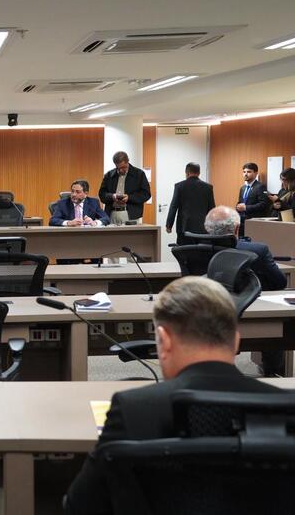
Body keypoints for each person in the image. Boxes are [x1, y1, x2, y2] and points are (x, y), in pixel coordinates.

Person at [65, 276, 283, 515]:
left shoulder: (132, 409)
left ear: (164, 340)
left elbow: (79, 505)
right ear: (236, 340)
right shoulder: (283, 408)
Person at [205, 205, 287, 376]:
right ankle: (272, 373)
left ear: (207, 229)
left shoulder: (197, 250)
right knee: (281, 324)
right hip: (256, 313)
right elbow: (280, 282)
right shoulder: (258, 251)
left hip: (208, 313)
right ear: (237, 228)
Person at [165, 162, 215, 245]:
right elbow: (212, 209)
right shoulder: (208, 187)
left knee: (185, 251)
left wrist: (169, 225)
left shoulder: (179, 186)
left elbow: (173, 206)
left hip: (184, 227)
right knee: (202, 251)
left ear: (187, 173)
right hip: (203, 229)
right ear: (199, 173)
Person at [98, 151, 151, 225]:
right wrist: (112, 196)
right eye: (118, 168)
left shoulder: (139, 174)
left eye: (123, 167)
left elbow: (146, 194)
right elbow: (102, 194)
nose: (120, 170)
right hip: (111, 213)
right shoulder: (109, 175)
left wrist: (129, 197)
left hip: (131, 215)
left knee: (130, 233)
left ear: (128, 161)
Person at [236, 162, 269, 236]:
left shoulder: (260, 187)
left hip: (254, 221)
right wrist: (237, 207)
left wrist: (246, 207)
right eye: (244, 172)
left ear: (256, 173)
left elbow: (263, 204)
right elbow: (240, 202)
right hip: (242, 221)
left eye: (249, 172)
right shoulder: (242, 188)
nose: (245, 174)